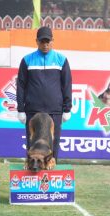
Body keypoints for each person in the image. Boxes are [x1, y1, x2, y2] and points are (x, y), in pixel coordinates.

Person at [16, 26, 72, 162]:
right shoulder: (27, 60)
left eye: (48, 41)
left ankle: (52, 174)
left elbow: (67, 85)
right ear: (36, 41)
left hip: (55, 110)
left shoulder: (61, 60)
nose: (45, 45)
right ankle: (32, 171)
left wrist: (67, 109)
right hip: (33, 110)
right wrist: (21, 110)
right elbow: (21, 86)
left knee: (54, 143)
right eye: (42, 42)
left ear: (53, 41)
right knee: (32, 142)